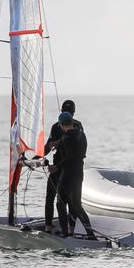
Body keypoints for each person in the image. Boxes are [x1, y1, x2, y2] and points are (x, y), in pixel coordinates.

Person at [42, 100, 83, 233]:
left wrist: (57, 143)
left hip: (65, 167)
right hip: (69, 168)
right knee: (69, 200)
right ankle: (65, 229)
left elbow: (71, 140)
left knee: (61, 200)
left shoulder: (73, 126)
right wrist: (37, 157)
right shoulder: (63, 126)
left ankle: (62, 229)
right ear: (74, 112)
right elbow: (49, 145)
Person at [53, 111, 95, 238]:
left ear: (61, 124)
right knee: (76, 203)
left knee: (60, 203)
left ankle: (65, 234)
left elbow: (69, 157)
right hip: (79, 172)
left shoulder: (66, 138)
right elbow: (76, 154)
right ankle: (90, 233)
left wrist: (56, 167)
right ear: (72, 122)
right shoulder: (82, 135)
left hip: (68, 173)